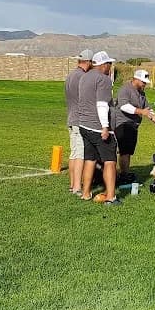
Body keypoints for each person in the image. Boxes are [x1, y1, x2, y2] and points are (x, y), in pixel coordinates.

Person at [78, 51, 121, 205]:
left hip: (84, 124)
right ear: (103, 65)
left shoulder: (84, 77)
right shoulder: (103, 79)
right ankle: (111, 197)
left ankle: (86, 193)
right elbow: (102, 104)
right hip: (98, 127)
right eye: (109, 64)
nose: (110, 67)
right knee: (110, 161)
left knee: (90, 159)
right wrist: (105, 127)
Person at [113, 69, 155, 183]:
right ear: (136, 79)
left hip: (133, 125)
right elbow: (124, 106)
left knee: (129, 151)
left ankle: (125, 172)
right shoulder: (125, 89)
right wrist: (141, 112)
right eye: (143, 82)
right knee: (124, 151)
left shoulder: (141, 93)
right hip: (123, 124)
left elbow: (148, 110)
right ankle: (124, 175)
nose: (144, 84)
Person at [65, 49, 93, 195]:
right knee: (80, 154)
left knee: (73, 152)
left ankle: (72, 184)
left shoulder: (71, 75)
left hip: (70, 117)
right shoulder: (82, 77)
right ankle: (77, 187)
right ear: (88, 62)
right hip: (79, 119)